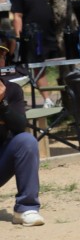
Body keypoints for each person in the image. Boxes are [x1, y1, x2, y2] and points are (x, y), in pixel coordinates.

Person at [10, 0, 59, 107]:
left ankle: (69, 96)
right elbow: (17, 16)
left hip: (54, 35)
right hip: (34, 38)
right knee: (39, 67)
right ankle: (47, 99)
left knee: (66, 64)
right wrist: (19, 38)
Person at [0, 76, 44, 226]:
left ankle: (26, 208)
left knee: (26, 141)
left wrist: (2, 104)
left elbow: (19, 126)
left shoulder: (12, 90)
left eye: (1, 55)